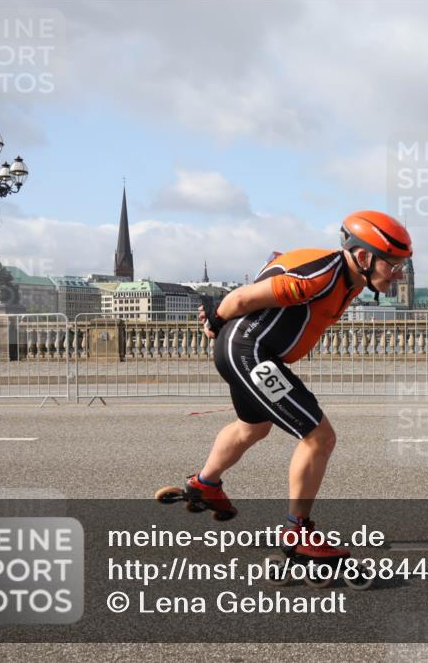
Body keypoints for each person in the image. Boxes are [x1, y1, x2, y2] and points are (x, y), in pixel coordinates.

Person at [171, 210, 412, 561]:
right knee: (319, 437)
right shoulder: (323, 276)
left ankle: (205, 484)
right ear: (363, 257)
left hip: (250, 352)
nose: (399, 273)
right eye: (393, 264)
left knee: (252, 428)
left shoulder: (347, 278)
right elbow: (241, 299)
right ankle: (297, 532)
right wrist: (215, 319)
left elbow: (277, 263)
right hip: (250, 353)